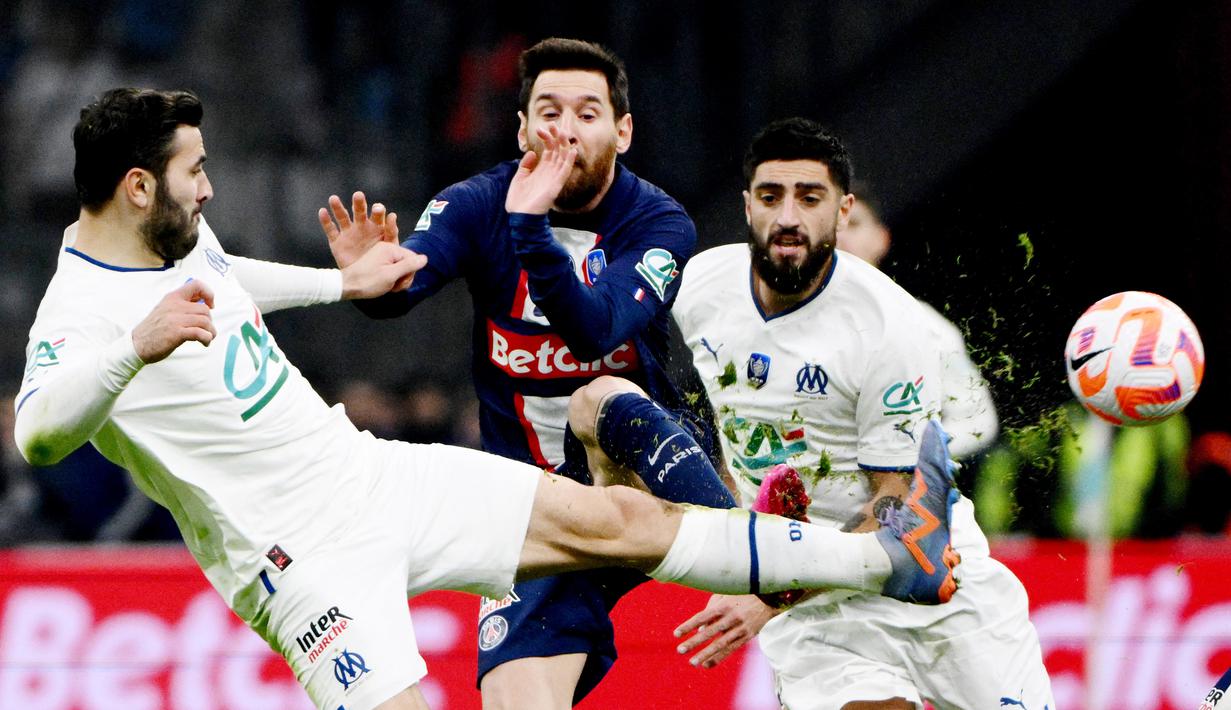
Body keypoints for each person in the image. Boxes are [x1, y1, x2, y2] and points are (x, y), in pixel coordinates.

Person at [12, 90, 961, 710]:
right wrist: (134, 349)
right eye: (195, 173)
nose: (211, 188)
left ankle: (886, 558)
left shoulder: (179, 244)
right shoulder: (81, 311)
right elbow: (40, 431)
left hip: (373, 476)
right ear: (140, 188)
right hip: (298, 567)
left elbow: (229, 276)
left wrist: (339, 286)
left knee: (615, 518)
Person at [322, 38, 738, 708]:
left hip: (640, 482)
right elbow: (408, 279)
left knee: (600, 395)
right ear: (521, 129)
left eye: (586, 113)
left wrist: (530, 232)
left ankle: (745, 546)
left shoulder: (657, 221)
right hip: (540, 517)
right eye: (548, 112)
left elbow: (596, 328)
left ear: (622, 130)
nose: (565, 130)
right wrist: (371, 282)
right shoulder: (477, 204)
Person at [670, 118, 1054, 709]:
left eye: (810, 198)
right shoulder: (699, 290)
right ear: (747, 206)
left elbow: (892, 512)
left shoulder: (891, 328)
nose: (788, 217)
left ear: (843, 211)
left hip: (929, 582)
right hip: (821, 619)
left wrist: (766, 598)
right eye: (771, 197)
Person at [838, 184, 999, 460]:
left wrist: (908, 460)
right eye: (830, 227)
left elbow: (978, 420)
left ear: (881, 239)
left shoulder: (924, 325)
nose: (839, 236)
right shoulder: (790, 324)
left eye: (852, 224)